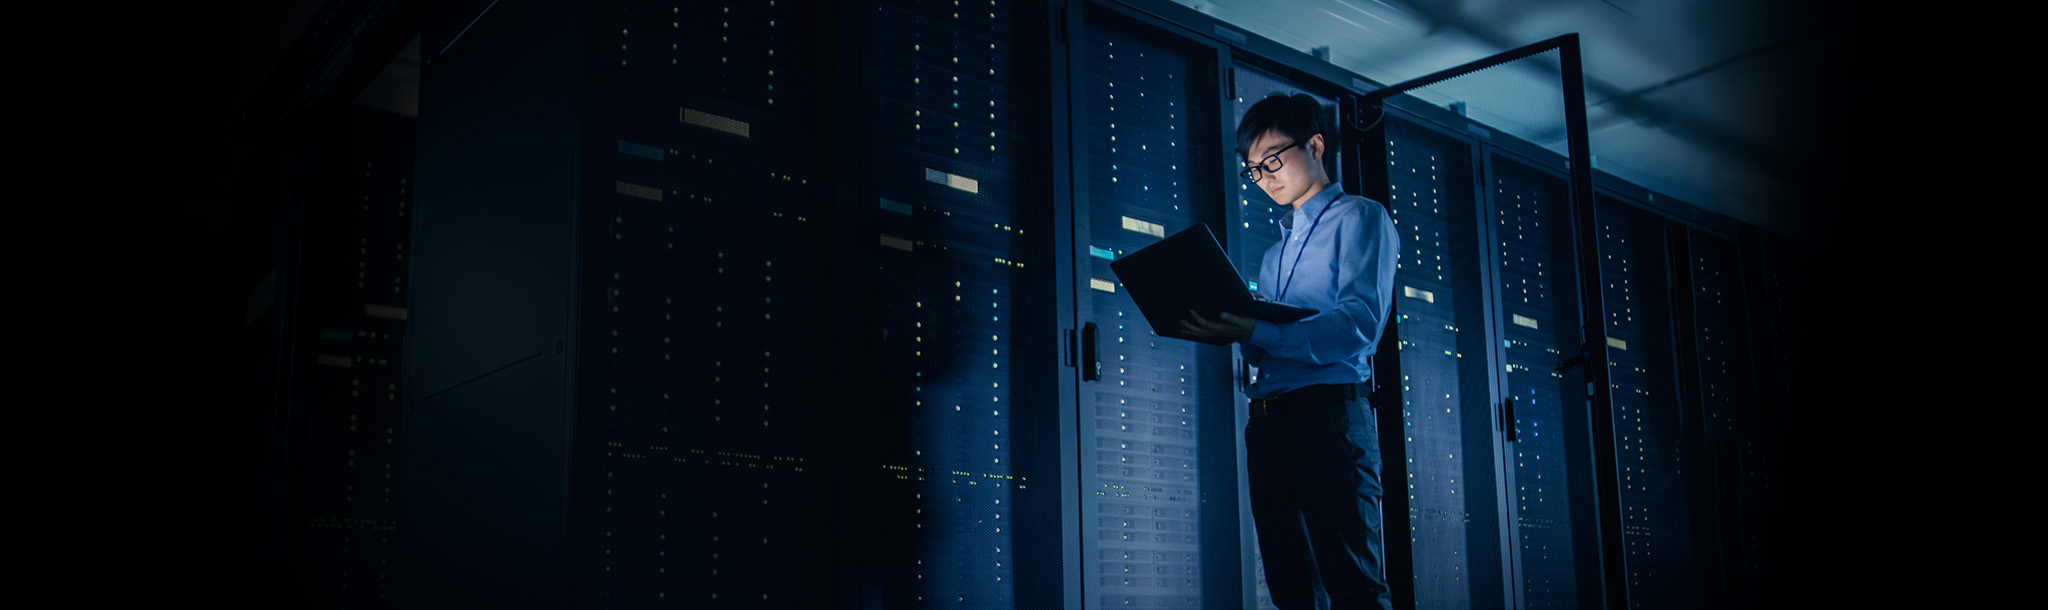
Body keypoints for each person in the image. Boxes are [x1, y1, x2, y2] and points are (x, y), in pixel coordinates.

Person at [1180, 93, 1398, 610]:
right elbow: (1269, 352)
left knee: (1354, 585)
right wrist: (1237, 330)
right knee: (1290, 588)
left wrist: (1261, 329)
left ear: (1316, 145)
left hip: (1330, 418)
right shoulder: (1275, 253)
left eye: (1273, 159)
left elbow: (1359, 326)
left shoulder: (1360, 218)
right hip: (1271, 425)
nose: (1265, 177)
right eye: (1253, 169)